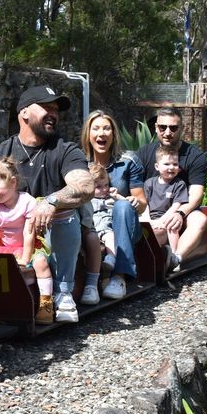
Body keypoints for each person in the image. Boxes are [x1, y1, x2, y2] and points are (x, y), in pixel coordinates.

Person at [0, 85, 94, 323]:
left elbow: (85, 187)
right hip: (13, 239)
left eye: (56, 109)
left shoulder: (65, 150)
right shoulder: (1, 152)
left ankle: (63, 292)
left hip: (52, 235)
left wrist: (51, 201)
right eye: (46, 107)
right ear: (24, 113)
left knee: (64, 211)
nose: (53, 113)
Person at [79, 110, 146, 300]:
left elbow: (141, 204)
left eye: (107, 128)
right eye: (96, 128)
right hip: (89, 224)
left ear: (113, 134)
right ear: (88, 134)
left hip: (122, 223)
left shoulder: (128, 161)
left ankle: (119, 276)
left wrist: (134, 202)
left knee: (123, 207)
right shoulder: (78, 163)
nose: (102, 133)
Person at [135, 107, 207, 266]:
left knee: (200, 219)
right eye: (162, 127)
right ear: (155, 127)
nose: (167, 132)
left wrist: (180, 214)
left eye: (173, 128)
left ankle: (175, 259)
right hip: (150, 211)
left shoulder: (195, 155)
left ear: (181, 128)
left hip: (182, 208)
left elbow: (196, 193)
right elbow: (136, 188)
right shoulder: (143, 154)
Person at [0, 157, 54, 324]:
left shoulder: (26, 201)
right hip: (4, 247)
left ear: (13, 183)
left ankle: (46, 306)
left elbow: (28, 233)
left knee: (41, 263)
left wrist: (25, 257)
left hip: (28, 245)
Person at [143, 146, 189, 265]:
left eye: (175, 164)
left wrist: (161, 220)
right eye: (167, 164)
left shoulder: (179, 184)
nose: (171, 167)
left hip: (168, 215)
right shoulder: (149, 183)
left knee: (172, 226)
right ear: (157, 166)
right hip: (150, 216)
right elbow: (145, 204)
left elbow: (176, 205)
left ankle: (173, 257)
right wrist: (148, 220)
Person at [80, 164, 116, 305]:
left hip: (107, 228)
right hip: (94, 228)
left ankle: (111, 259)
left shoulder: (109, 198)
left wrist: (116, 196)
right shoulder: (88, 201)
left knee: (111, 237)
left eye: (106, 185)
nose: (104, 189)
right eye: (98, 187)